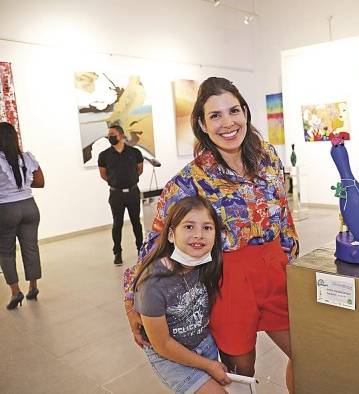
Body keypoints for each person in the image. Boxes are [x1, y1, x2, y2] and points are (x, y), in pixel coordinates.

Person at [123, 77, 299, 392]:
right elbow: (155, 242)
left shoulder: (269, 156)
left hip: (276, 272)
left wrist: (291, 258)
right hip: (228, 281)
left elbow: (284, 216)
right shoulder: (190, 181)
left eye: (234, 111)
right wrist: (131, 300)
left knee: (308, 353)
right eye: (215, 115)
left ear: (245, 112)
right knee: (240, 374)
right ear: (202, 125)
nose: (228, 122)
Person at [132, 195, 230, 393]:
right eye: (188, 227)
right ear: (170, 235)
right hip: (170, 356)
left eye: (207, 228)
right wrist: (208, 365)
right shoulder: (152, 285)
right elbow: (163, 345)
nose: (198, 235)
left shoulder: (206, 263)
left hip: (204, 343)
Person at [0, 122, 45, 310]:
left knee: (6, 251)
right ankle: (33, 287)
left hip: (6, 209)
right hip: (29, 206)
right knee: (31, 248)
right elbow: (41, 182)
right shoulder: (27, 157)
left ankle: (15, 291)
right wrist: (22, 186)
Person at [98, 125, 144, 265]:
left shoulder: (134, 152)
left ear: (121, 135)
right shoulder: (104, 155)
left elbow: (139, 170)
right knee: (117, 224)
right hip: (116, 194)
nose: (110, 136)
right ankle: (117, 253)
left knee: (136, 222)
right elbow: (103, 174)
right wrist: (115, 182)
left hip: (133, 192)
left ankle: (140, 250)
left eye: (113, 134)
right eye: (109, 134)